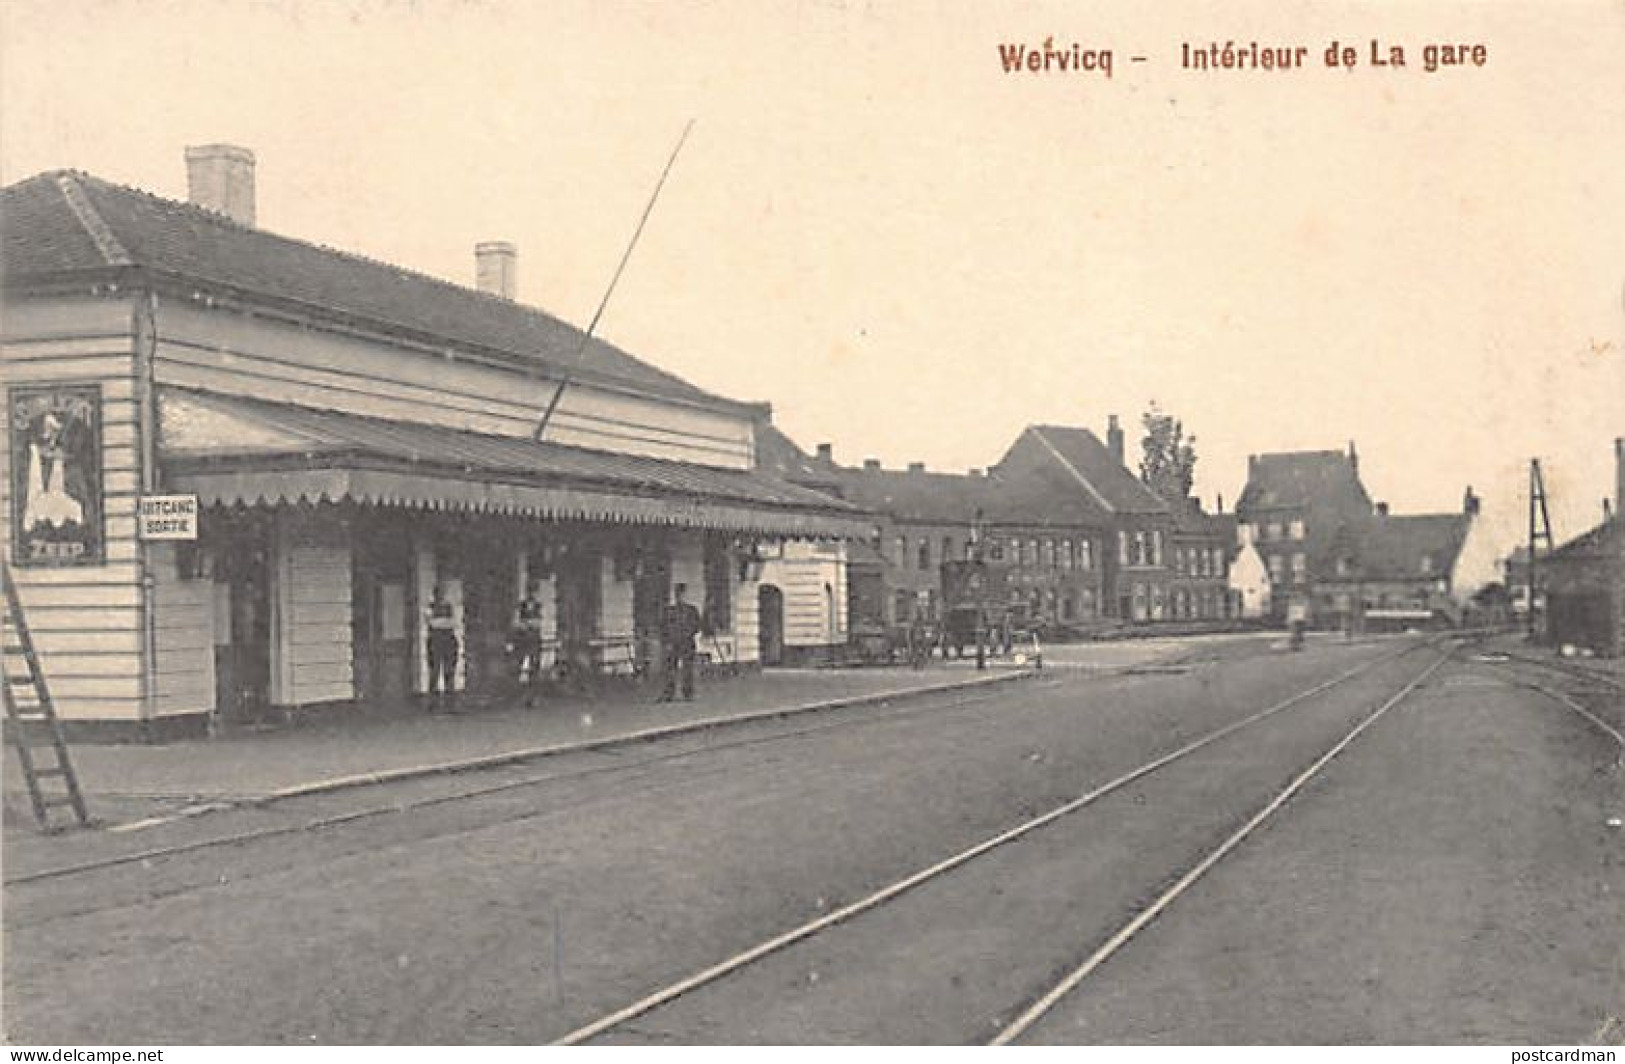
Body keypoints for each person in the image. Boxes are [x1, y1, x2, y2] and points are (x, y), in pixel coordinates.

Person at [659, 583, 703, 702]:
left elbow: (698, 625)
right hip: (673, 644)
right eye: (678, 594)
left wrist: (687, 633)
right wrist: (667, 641)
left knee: (688, 669)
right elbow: (664, 627)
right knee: (670, 669)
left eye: (682, 594)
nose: (680, 597)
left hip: (687, 643)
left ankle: (688, 693)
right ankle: (669, 693)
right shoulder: (670, 611)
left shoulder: (691, 610)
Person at [511, 580, 546, 708]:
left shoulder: (538, 606)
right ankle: (518, 695)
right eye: (530, 592)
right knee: (518, 667)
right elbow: (517, 624)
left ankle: (532, 697)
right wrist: (526, 624)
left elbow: (538, 623)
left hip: (534, 641)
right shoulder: (521, 607)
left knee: (534, 669)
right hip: (522, 641)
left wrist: (528, 624)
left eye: (534, 592)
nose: (532, 595)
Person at [425, 585, 459, 711]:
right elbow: (431, 622)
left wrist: (441, 623)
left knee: (449, 671)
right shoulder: (430, 607)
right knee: (434, 672)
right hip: (435, 642)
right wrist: (444, 623)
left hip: (447, 641)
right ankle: (432, 703)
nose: (442, 597)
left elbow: (453, 623)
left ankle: (450, 703)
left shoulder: (448, 607)